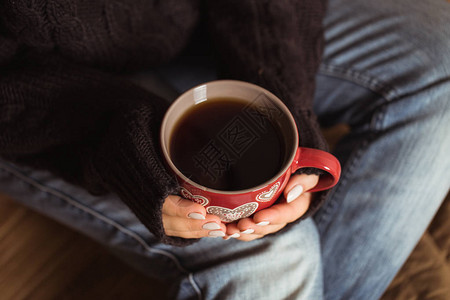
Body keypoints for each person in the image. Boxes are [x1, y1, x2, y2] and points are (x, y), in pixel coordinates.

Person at [0, 0, 449, 299]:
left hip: (192, 20)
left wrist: (281, 102)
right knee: (274, 256)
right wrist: (111, 139)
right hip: (35, 91)